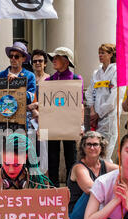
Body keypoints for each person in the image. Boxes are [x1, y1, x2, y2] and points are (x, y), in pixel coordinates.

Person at [45, 47, 83, 187]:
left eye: (57, 57)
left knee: (71, 157)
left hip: (70, 123)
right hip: (52, 124)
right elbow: (45, 106)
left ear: (66, 61)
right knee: (52, 158)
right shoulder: (49, 80)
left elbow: (79, 104)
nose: (53, 60)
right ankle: (54, 189)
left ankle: (70, 188)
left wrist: (80, 124)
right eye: (53, 58)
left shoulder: (76, 79)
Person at [85, 43, 125, 161]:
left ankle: (105, 175)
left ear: (111, 54)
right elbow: (90, 92)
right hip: (95, 117)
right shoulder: (97, 73)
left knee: (105, 150)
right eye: (99, 53)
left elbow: (114, 98)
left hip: (109, 117)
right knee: (96, 151)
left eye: (103, 53)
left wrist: (99, 113)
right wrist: (92, 110)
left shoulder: (117, 71)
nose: (100, 55)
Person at [67, 131, 118, 219]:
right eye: (88, 144)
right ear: (83, 147)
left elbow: (126, 172)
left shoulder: (105, 165)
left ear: (101, 147)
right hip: (76, 215)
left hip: (95, 211)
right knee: (93, 192)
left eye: (95, 144)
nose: (92, 148)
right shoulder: (79, 168)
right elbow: (91, 189)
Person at [0, 41, 36, 131]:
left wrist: (17, 83)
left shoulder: (29, 76)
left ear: (23, 59)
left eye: (16, 56)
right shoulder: (0, 75)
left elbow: (30, 99)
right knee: (3, 145)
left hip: (20, 122)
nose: (13, 58)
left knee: (21, 145)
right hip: (2, 122)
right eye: (11, 56)